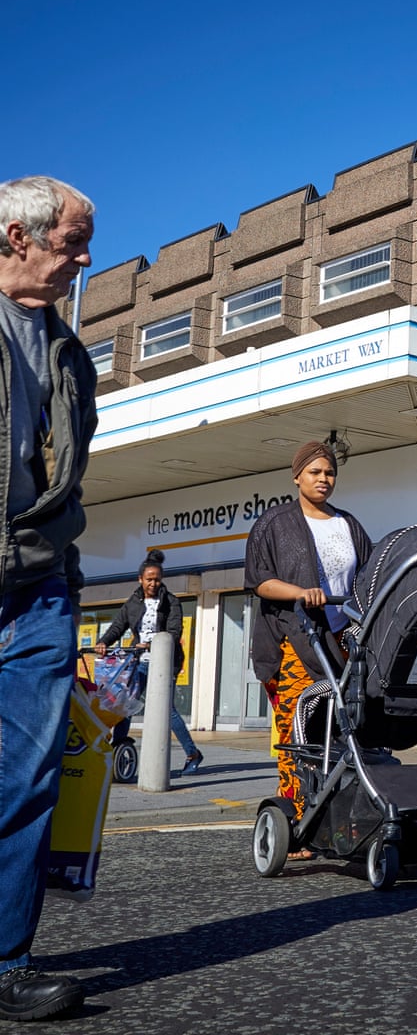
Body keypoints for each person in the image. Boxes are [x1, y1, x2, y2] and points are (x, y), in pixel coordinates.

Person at [0, 177, 96, 1022]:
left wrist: (60, 569)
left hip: (37, 590)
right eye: (71, 241)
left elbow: (68, 471)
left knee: (27, 785)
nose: (83, 257)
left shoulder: (71, 353)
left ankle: (5, 965)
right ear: (15, 237)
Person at [244, 442, 372, 824]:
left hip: (341, 642)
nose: (323, 479)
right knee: (298, 730)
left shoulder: (348, 524)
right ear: (297, 476)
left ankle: (338, 815)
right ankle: (296, 817)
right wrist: (300, 593)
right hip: (293, 640)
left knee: (344, 730)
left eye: (329, 473)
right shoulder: (275, 523)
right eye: (315, 472)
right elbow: (260, 581)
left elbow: (366, 580)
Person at [96, 549, 203, 774]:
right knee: (126, 704)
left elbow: (174, 632)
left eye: (157, 579)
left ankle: (193, 753)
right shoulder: (133, 602)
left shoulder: (171, 601)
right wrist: (103, 642)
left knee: (168, 710)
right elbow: (118, 626)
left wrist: (152, 643)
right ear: (140, 579)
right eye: (149, 579)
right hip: (139, 662)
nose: (153, 584)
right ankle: (120, 749)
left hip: (164, 662)